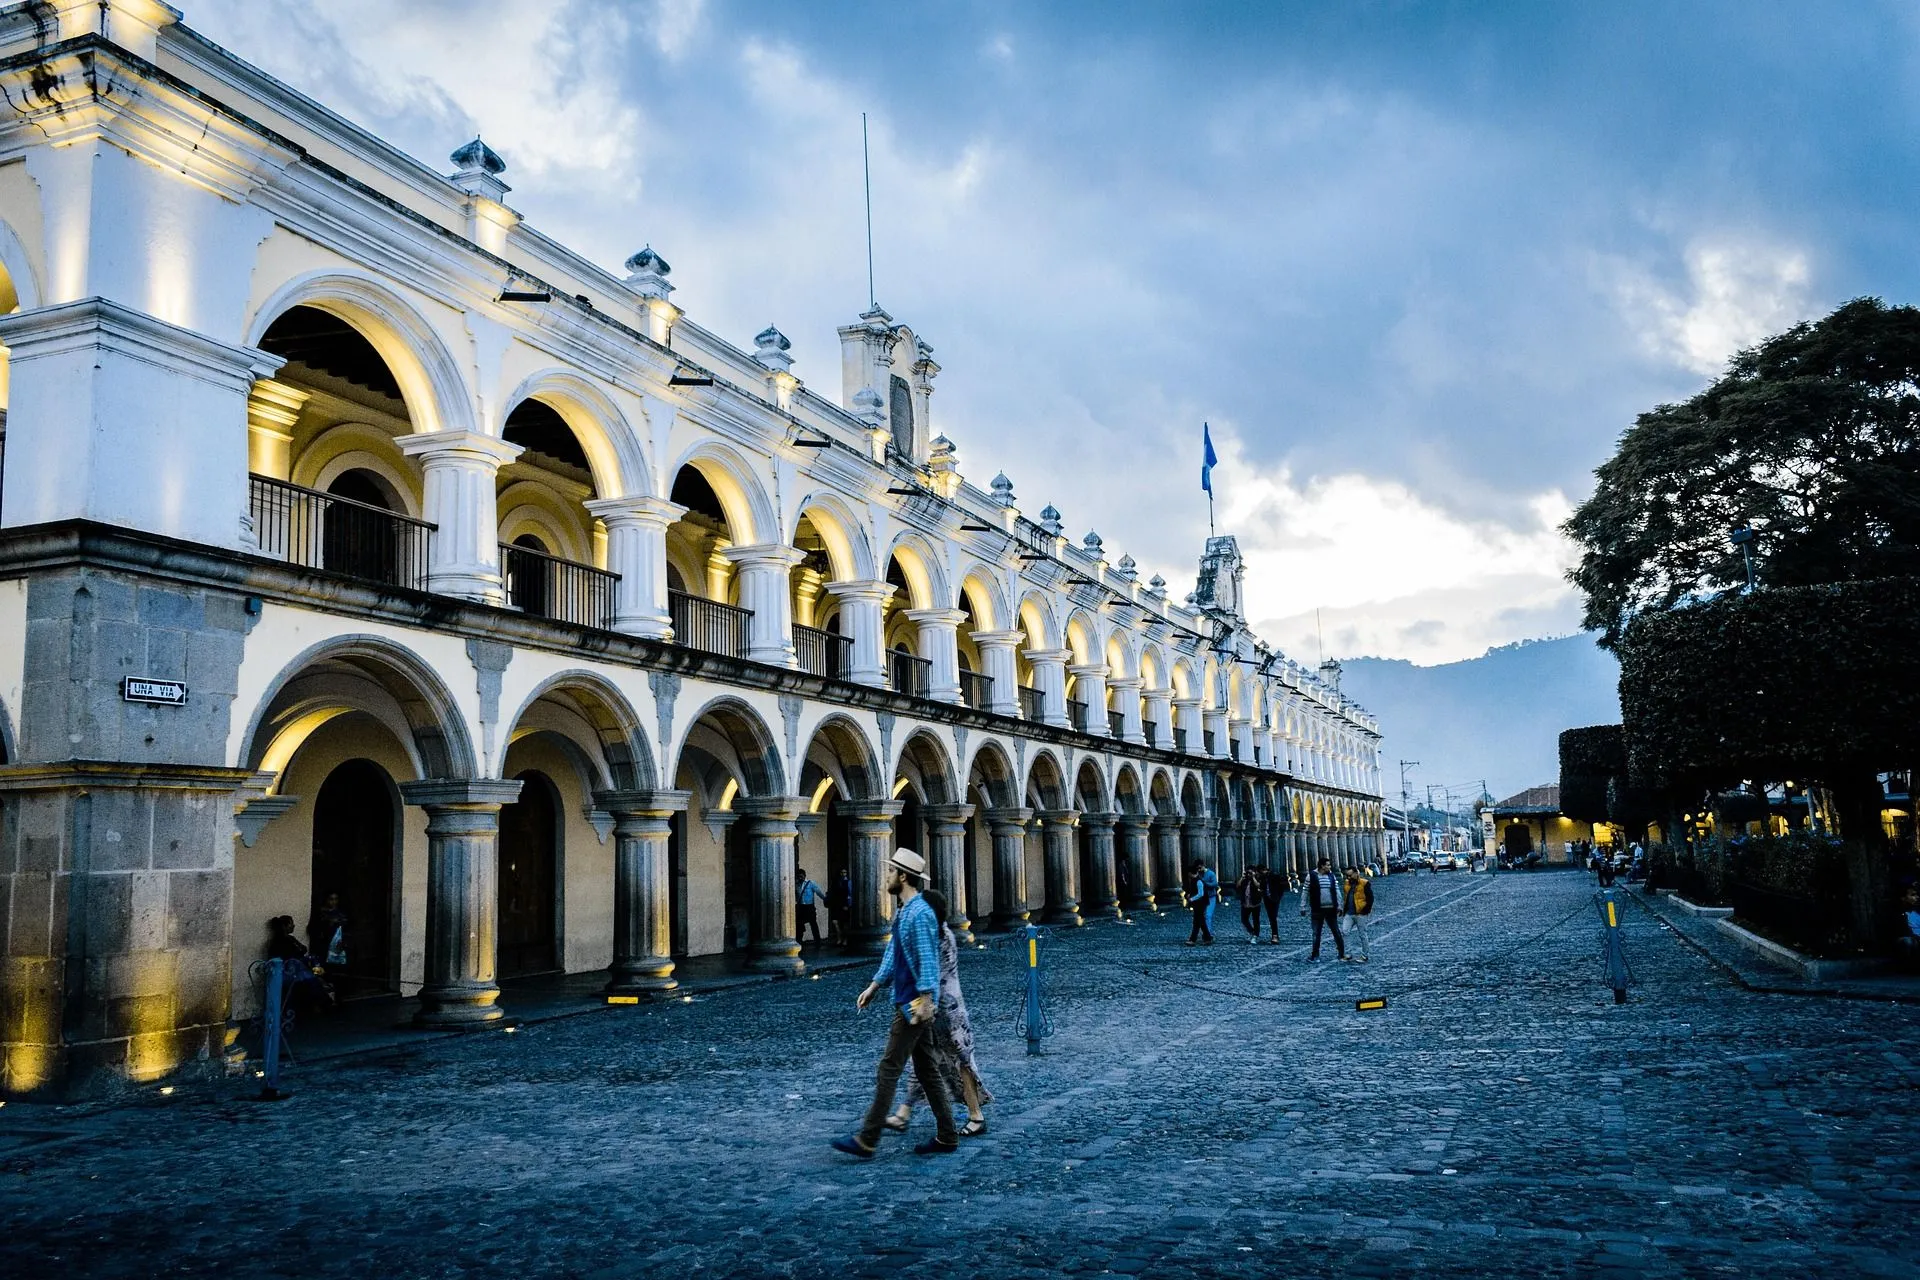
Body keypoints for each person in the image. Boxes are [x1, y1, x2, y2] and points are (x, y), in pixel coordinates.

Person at [831, 849, 960, 1159]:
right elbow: (893, 955)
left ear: (903, 876)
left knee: (889, 1068)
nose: (887, 876)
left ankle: (868, 1138)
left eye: (891, 872)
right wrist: (874, 985)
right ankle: (947, 1135)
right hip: (907, 1000)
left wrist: (926, 1002)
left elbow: (928, 961)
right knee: (927, 1070)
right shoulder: (905, 912)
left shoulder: (920, 914)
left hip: (912, 1005)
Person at [886, 889, 991, 1138]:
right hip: (943, 1006)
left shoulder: (937, 936)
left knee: (960, 1061)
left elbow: (925, 970)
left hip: (945, 1010)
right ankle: (904, 1113)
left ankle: (976, 1115)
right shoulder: (942, 932)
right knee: (923, 1061)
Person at [1304, 856, 1347, 961]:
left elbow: (1337, 891)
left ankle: (1341, 953)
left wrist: (1340, 905)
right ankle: (1315, 955)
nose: (1330, 867)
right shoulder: (1311, 876)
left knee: (1336, 931)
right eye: (1328, 865)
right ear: (1322, 866)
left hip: (1331, 908)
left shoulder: (1331, 876)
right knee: (1316, 933)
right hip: (1317, 909)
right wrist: (1303, 906)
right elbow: (1305, 892)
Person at [1342, 866, 1374, 963]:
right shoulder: (1347, 884)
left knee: (1362, 934)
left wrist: (1365, 910)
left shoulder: (1365, 883)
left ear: (1356, 874)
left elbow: (1370, 898)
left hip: (1361, 913)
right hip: (1349, 913)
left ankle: (1365, 955)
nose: (1348, 878)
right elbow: (1346, 897)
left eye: (1350, 875)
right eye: (1347, 876)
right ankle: (1348, 954)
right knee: (1345, 931)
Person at [1186, 862, 1218, 946]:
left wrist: (1191, 899)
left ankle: (1193, 939)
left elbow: (1201, 893)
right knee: (1201, 922)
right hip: (1198, 903)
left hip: (1200, 904)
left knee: (1197, 922)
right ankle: (1207, 938)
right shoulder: (1195, 880)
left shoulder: (1198, 881)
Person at [795, 867, 827, 947]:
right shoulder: (796, 884)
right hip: (801, 907)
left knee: (813, 924)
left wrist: (824, 899)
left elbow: (818, 891)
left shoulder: (811, 883)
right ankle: (799, 940)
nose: (800, 878)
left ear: (805, 875)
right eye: (799, 876)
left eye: (801, 876)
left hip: (810, 907)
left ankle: (817, 941)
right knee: (799, 924)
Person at [1237, 866, 1264, 943]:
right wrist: (1242, 878)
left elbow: (1258, 885)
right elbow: (1238, 886)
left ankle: (1255, 935)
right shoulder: (1244, 880)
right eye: (1248, 872)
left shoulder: (1258, 878)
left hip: (1255, 903)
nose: (1249, 874)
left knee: (1256, 920)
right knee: (1244, 919)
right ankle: (1252, 932)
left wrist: (1253, 877)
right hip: (1245, 903)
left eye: (1250, 872)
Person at [1261, 864, 1287, 943]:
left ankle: (1275, 935)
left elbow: (1281, 887)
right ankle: (1274, 935)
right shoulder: (1263, 878)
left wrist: (1278, 897)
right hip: (1267, 899)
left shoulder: (1274, 876)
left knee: (1273, 917)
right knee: (1271, 917)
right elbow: (1262, 888)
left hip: (1274, 899)